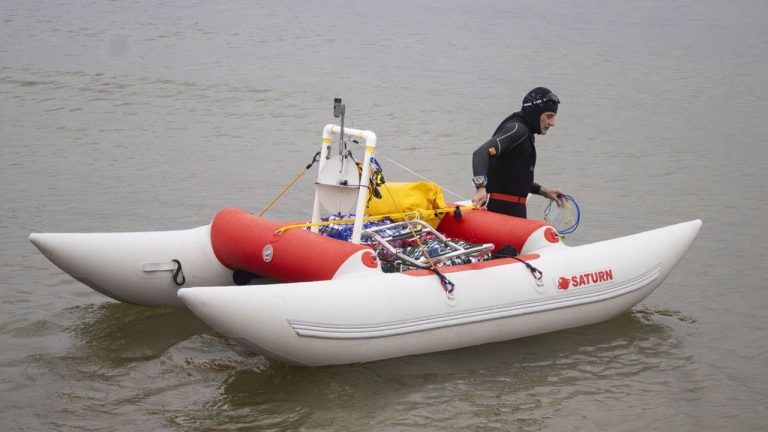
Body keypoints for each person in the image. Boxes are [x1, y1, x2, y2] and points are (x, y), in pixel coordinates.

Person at [471, 87, 565, 218]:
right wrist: (480, 187)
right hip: (500, 211)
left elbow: (514, 176)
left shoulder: (526, 132)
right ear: (535, 112)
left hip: (513, 211)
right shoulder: (517, 129)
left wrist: (544, 191)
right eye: (549, 116)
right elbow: (480, 153)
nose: (552, 123)